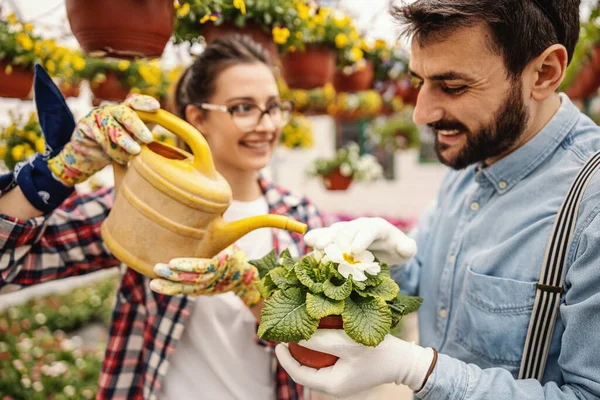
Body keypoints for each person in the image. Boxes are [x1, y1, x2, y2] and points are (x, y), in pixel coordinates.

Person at [275, 1, 600, 399]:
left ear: (544, 73)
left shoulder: (591, 206)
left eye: (454, 86)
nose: (421, 113)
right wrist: (380, 262)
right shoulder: (472, 161)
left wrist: (420, 370)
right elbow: (430, 280)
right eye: (420, 82)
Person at [0, 35, 322, 399]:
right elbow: (6, 267)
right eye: (243, 108)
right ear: (196, 118)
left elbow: (324, 348)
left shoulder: (299, 219)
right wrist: (58, 173)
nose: (267, 125)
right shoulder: (147, 200)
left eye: (274, 106)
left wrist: (251, 288)